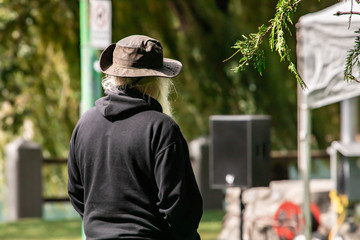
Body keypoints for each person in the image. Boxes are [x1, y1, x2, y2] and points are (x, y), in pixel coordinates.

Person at [67, 35, 203, 240]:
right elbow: (181, 208)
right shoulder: (162, 128)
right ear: (156, 81)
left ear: (115, 77)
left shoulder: (85, 123)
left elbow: (77, 194)